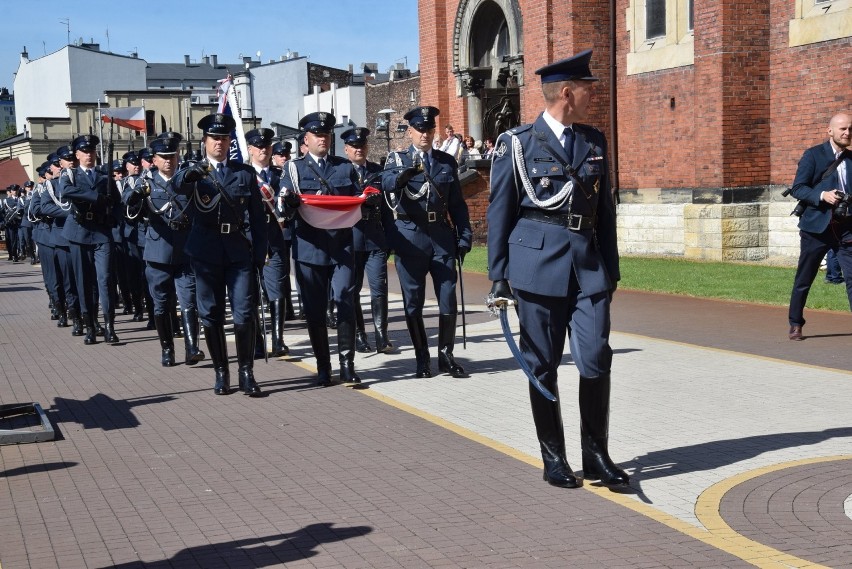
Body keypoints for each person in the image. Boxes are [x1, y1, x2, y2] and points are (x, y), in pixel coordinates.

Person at [486, 49, 629, 489]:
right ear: (566, 92)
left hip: (587, 268)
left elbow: (604, 209)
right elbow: (500, 211)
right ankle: (554, 457)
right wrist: (499, 276)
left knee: (595, 359)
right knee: (542, 364)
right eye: (587, 88)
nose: (592, 95)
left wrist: (610, 270)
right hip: (536, 266)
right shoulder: (518, 143)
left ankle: (597, 455)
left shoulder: (594, 141)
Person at [172, 113, 268, 396]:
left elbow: (258, 219)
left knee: (244, 312)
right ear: (205, 141)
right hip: (205, 252)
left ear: (230, 142)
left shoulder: (244, 173)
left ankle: (246, 372)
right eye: (215, 138)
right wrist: (188, 174)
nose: (220, 143)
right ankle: (221, 372)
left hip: (238, 250)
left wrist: (260, 253)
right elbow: (178, 185)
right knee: (211, 314)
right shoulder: (195, 171)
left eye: (224, 138)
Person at [382, 106, 472, 379]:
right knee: (413, 302)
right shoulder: (397, 159)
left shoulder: (445, 162)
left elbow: (457, 203)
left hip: (441, 237)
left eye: (429, 129)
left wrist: (465, 234)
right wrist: (402, 177)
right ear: (409, 131)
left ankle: (446, 355)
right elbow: (385, 182)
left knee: (448, 298)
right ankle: (422, 357)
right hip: (410, 238)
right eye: (420, 129)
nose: (425, 134)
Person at [279, 111, 365, 387]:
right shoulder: (293, 169)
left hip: (341, 246)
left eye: (327, 135)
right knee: (315, 311)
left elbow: (356, 200)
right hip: (309, 248)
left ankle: (347, 363)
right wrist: (289, 205)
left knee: (344, 301)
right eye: (318, 135)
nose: (323, 139)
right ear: (307, 138)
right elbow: (283, 208)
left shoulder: (344, 167)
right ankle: (323, 366)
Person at [125, 136, 204, 367]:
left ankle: (192, 348)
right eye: (164, 157)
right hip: (158, 251)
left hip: (185, 250)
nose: (169, 161)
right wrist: (138, 194)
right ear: (154, 160)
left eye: (173, 156)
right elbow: (128, 205)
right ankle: (167, 348)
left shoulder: (188, 180)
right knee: (161, 302)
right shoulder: (145, 182)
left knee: (189, 299)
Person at [788, 112, 852, 341]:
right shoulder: (814, 155)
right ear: (830, 131)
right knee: (804, 279)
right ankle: (795, 323)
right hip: (816, 228)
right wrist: (822, 195)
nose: (847, 133)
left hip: (845, 228)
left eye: (850, 129)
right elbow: (798, 188)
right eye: (843, 129)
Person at [59, 135, 123, 345]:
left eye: (92, 151)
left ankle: (110, 326)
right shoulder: (71, 175)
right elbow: (67, 192)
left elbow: (117, 203)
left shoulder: (105, 178)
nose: (89, 155)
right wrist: (96, 198)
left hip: (102, 232)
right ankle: (90, 326)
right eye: (84, 152)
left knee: (105, 280)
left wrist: (113, 217)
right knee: (84, 282)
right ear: (77, 155)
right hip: (79, 232)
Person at [341, 126, 394, 354]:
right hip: (351, 238)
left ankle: (382, 335)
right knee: (353, 291)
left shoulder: (377, 172)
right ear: (346, 150)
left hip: (375, 238)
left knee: (379, 288)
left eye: (362, 146)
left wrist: (390, 238)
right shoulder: (341, 172)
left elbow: (388, 211)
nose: (358, 150)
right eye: (354, 146)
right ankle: (360, 336)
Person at [245, 127, 291, 358]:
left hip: (274, 240)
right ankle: (257, 341)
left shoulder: (282, 175)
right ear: (250, 149)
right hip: (249, 241)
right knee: (250, 293)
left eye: (266, 146)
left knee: (277, 289)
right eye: (258, 146)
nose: (263, 150)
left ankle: (278, 339)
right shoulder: (243, 174)